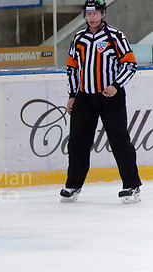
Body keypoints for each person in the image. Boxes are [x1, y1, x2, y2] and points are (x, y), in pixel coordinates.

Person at [61, 0, 141, 204]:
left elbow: (130, 64)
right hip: (84, 97)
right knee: (78, 141)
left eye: (96, 13)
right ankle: (73, 185)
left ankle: (131, 185)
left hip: (110, 97)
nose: (92, 18)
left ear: (103, 14)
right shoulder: (78, 38)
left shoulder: (115, 36)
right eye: (89, 14)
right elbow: (72, 68)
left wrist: (116, 85)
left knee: (118, 139)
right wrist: (72, 94)